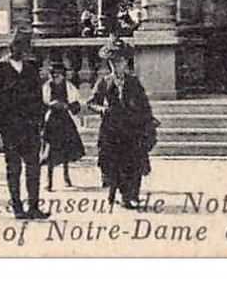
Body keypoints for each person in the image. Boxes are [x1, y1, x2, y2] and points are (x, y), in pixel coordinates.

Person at [0, 30, 47, 220]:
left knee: (33, 167)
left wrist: (41, 122)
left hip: (30, 126)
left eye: (26, 47)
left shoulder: (30, 68)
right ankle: (17, 206)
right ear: (12, 47)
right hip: (9, 125)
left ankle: (34, 206)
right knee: (13, 168)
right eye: (20, 46)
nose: (24, 51)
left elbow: (38, 98)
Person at [88, 41, 155, 209]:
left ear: (126, 63)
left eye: (120, 61)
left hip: (131, 128)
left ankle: (132, 195)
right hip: (111, 128)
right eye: (113, 62)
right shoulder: (104, 81)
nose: (117, 65)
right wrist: (101, 108)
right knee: (112, 161)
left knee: (133, 160)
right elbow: (91, 102)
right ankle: (117, 192)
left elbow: (143, 103)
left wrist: (147, 120)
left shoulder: (133, 82)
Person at [42, 59, 86, 191]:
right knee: (50, 152)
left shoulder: (68, 86)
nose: (56, 76)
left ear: (63, 75)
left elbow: (76, 103)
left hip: (65, 121)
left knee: (66, 150)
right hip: (51, 121)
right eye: (53, 74)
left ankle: (66, 177)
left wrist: (67, 106)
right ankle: (49, 181)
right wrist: (51, 104)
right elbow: (42, 102)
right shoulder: (47, 87)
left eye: (58, 74)